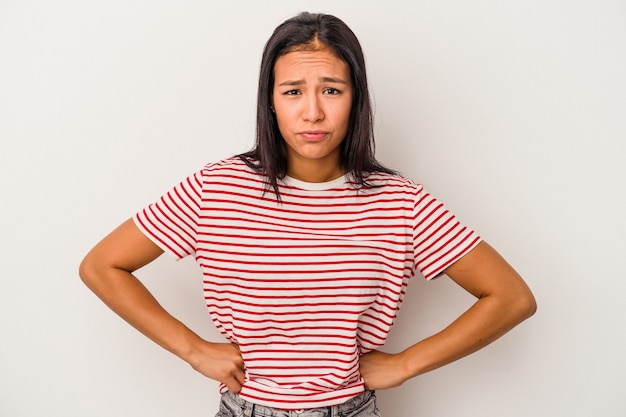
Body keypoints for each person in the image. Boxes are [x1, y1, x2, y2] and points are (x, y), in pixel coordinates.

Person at [79, 11, 536, 417]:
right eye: (293, 91)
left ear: (356, 99)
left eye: (331, 90)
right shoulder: (216, 189)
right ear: (271, 100)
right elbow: (102, 265)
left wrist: (405, 364)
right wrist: (193, 349)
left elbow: (510, 297)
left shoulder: (399, 203)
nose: (312, 112)